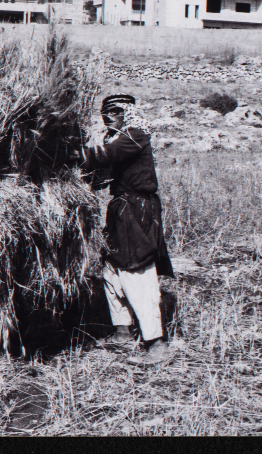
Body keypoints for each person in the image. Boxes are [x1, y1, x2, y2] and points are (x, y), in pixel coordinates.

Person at [82, 94, 175, 364]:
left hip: (138, 209)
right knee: (111, 270)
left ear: (128, 113)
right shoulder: (119, 139)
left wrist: (70, 151)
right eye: (104, 112)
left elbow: (103, 157)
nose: (107, 116)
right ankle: (122, 333)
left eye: (114, 111)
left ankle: (157, 344)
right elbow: (99, 174)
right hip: (121, 209)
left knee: (137, 271)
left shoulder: (135, 135)